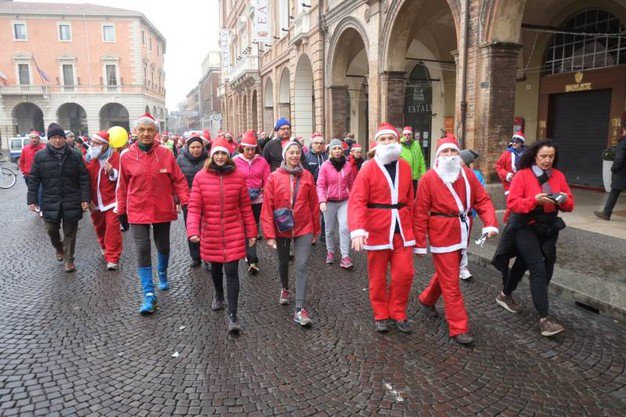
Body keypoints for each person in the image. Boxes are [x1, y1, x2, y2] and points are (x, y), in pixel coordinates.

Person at [414, 134, 499, 345]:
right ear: (438, 156)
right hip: (441, 234)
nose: (450, 155)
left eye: (453, 151)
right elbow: (420, 212)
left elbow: (482, 199)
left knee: (447, 272)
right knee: (451, 281)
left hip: (462, 232)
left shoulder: (467, 175)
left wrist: (490, 222)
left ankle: (427, 299)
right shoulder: (428, 179)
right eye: (445, 151)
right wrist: (418, 242)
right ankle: (458, 327)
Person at [492, 139, 574, 337]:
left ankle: (504, 294)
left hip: (547, 227)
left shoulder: (559, 176)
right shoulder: (522, 175)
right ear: (534, 156)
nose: (547, 160)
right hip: (523, 226)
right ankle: (544, 319)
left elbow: (570, 204)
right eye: (543, 156)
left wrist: (561, 200)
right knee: (537, 266)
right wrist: (534, 200)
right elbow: (513, 203)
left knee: (523, 263)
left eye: (551, 156)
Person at [117, 113, 190, 315]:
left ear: (155, 133)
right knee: (142, 249)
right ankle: (148, 294)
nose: (146, 133)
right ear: (135, 132)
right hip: (137, 209)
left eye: (149, 130)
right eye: (142, 130)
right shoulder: (127, 156)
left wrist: (186, 200)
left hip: (162, 208)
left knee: (163, 245)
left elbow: (179, 180)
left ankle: (163, 272)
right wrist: (121, 210)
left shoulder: (166, 154)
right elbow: (122, 186)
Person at [348, 123, 416, 334]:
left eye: (391, 139)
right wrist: (357, 229)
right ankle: (381, 313)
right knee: (377, 276)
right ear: (377, 143)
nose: (387, 142)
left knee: (404, 274)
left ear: (397, 141)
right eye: (383, 139)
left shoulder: (405, 166)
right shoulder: (368, 168)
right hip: (377, 228)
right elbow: (357, 200)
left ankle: (398, 311)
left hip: (402, 228)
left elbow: (411, 200)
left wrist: (415, 229)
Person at [187, 136, 257, 334]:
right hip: (211, 232)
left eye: (223, 153)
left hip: (233, 231)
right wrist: (192, 230)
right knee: (216, 269)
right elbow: (194, 207)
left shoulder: (237, 177)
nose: (219, 157)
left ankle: (233, 315)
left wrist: (251, 231)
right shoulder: (201, 177)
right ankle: (218, 294)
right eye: (216, 153)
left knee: (232, 272)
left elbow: (245, 206)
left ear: (229, 156)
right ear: (211, 155)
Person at [261, 140, 320, 327]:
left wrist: (316, 230)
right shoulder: (274, 177)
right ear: (284, 155)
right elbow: (267, 207)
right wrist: (269, 234)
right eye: (290, 153)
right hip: (282, 226)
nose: (294, 156)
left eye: (297, 153)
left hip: (304, 226)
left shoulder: (308, 176)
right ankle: (285, 288)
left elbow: (314, 205)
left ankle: (299, 309)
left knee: (302, 265)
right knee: (283, 261)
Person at [27, 123, 90, 273]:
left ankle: (69, 260)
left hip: (71, 199)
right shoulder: (40, 156)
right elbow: (34, 179)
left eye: (60, 137)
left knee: (70, 232)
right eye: (54, 138)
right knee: (51, 229)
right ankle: (59, 247)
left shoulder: (75, 154)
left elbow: (83, 178)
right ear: (49, 139)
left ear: (64, 138)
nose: (57, 141)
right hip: (50, 199)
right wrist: (32, 199)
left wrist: (85, 198)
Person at [233, 130, 271, 274]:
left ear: (256, 149)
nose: (249, 152)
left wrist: (265, 190)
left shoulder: (261, 161)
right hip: (240, 200)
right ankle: (249, 255)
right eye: (247, 149)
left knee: (253, 227)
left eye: (252, 149)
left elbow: (268, 179)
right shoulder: (235, 161)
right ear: (242, 148)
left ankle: (251, 255)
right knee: (244, 226)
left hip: (258, 199)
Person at [85, 131, 122, 271]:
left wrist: (112, 172)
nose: (93, 145)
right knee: (99, 227)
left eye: (97, 143)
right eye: (92, 142)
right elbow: (84, 180)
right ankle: (104, 246)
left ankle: (113, 257)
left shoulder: (116, 157)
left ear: (105, 145)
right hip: (94, 201)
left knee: (112, 228)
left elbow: (122, 178)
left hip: (112, 200)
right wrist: (87, 198)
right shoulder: (88, 158)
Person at [317, 138, 356, 268]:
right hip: (329, 202)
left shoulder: (348, 165)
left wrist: (354, 199)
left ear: (342, 150)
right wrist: (322, 200)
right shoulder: (325, 166)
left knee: (344, 228)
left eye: (339, 148)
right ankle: (330, 252)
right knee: (329, 230)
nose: (337, 151)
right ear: (330, 151)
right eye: (334, 148)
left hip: (344, 201)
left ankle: (345, 256)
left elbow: (352, 184)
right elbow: (320, 185)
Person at [176, 133, 209, 267]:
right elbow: (177, 181)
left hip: (207, 199)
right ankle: (195, 257)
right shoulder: (180, 160)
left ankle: (207, 256)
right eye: (193, 147)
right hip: (188, 200)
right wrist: (177, 201)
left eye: (198, 147)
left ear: (202, 147)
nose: (196, 150)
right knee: (192, 228)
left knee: (207, 229)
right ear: (188, 148)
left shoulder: (209, 159)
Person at [458, 149, 486, 281]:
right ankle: (461, 268)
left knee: (463, 242)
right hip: (456, 215)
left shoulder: (475, 175)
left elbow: (481, 194)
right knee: (460, 242)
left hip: (467, 214)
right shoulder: (453, 172)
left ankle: (462, 267)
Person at [594, 115, 626, 221]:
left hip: (621, 173)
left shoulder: (623, 142)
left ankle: (606, 213)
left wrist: (614, 168)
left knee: (614, 192)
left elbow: (620, 158)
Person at [19, 130, 46, 215]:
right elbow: (22, 161)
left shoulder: (44, 148)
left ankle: (42, 208)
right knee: (33, 191)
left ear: (38, 138)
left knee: (41, 191)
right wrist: (24, 172)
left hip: (41, 175)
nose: (33, 140)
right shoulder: (26, 148)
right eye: (32, 138)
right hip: (28, 175)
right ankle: (37, 204)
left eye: (35, 138)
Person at [495, 131, 526, 198]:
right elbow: (499, 167)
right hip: (510, 183)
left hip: (523, 181)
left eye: (517, 142)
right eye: (513, 142)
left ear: (521, 143)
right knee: (511, 202)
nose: (514, 143)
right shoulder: (507, 153)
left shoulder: (526, 153)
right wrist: (507, 175)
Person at [399, 126, 426, 193]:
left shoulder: (416, 144)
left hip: (414, 177)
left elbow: (421, 159)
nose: (407, 136)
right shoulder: (399, 145)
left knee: (414, 194)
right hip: (403, 177)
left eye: (409, 134)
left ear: (412, 135)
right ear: (403, 135)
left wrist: (423, 173)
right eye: (405, 134)